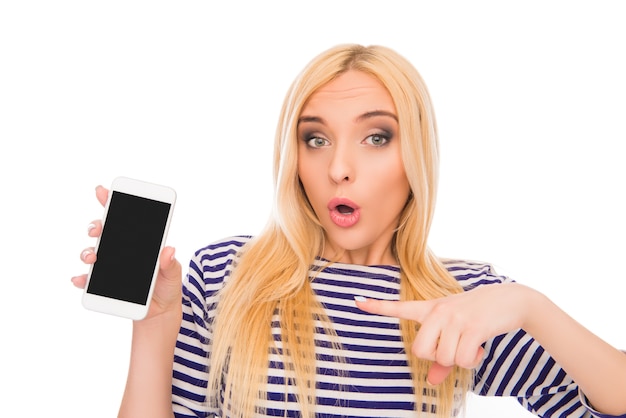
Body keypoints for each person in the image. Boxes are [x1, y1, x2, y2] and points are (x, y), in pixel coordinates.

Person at [72, 44, 626, 418]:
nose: (339, 167)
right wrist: (156, 322)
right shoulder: (225, 274)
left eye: (376, 137)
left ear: (417, 158)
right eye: (316, 139)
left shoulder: (461, 302)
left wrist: (530, 306)